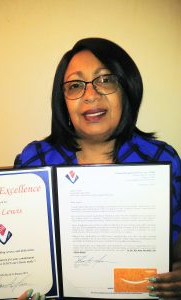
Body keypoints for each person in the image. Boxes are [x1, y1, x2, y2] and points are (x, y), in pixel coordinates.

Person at [15, 38, 181, 300]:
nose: (90, 95)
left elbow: (177, 247)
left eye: (105, 80)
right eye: (75, 85)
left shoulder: (161, 159)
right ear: (63, 101)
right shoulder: (34, 161)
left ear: (126, 88)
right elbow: (19, 252)